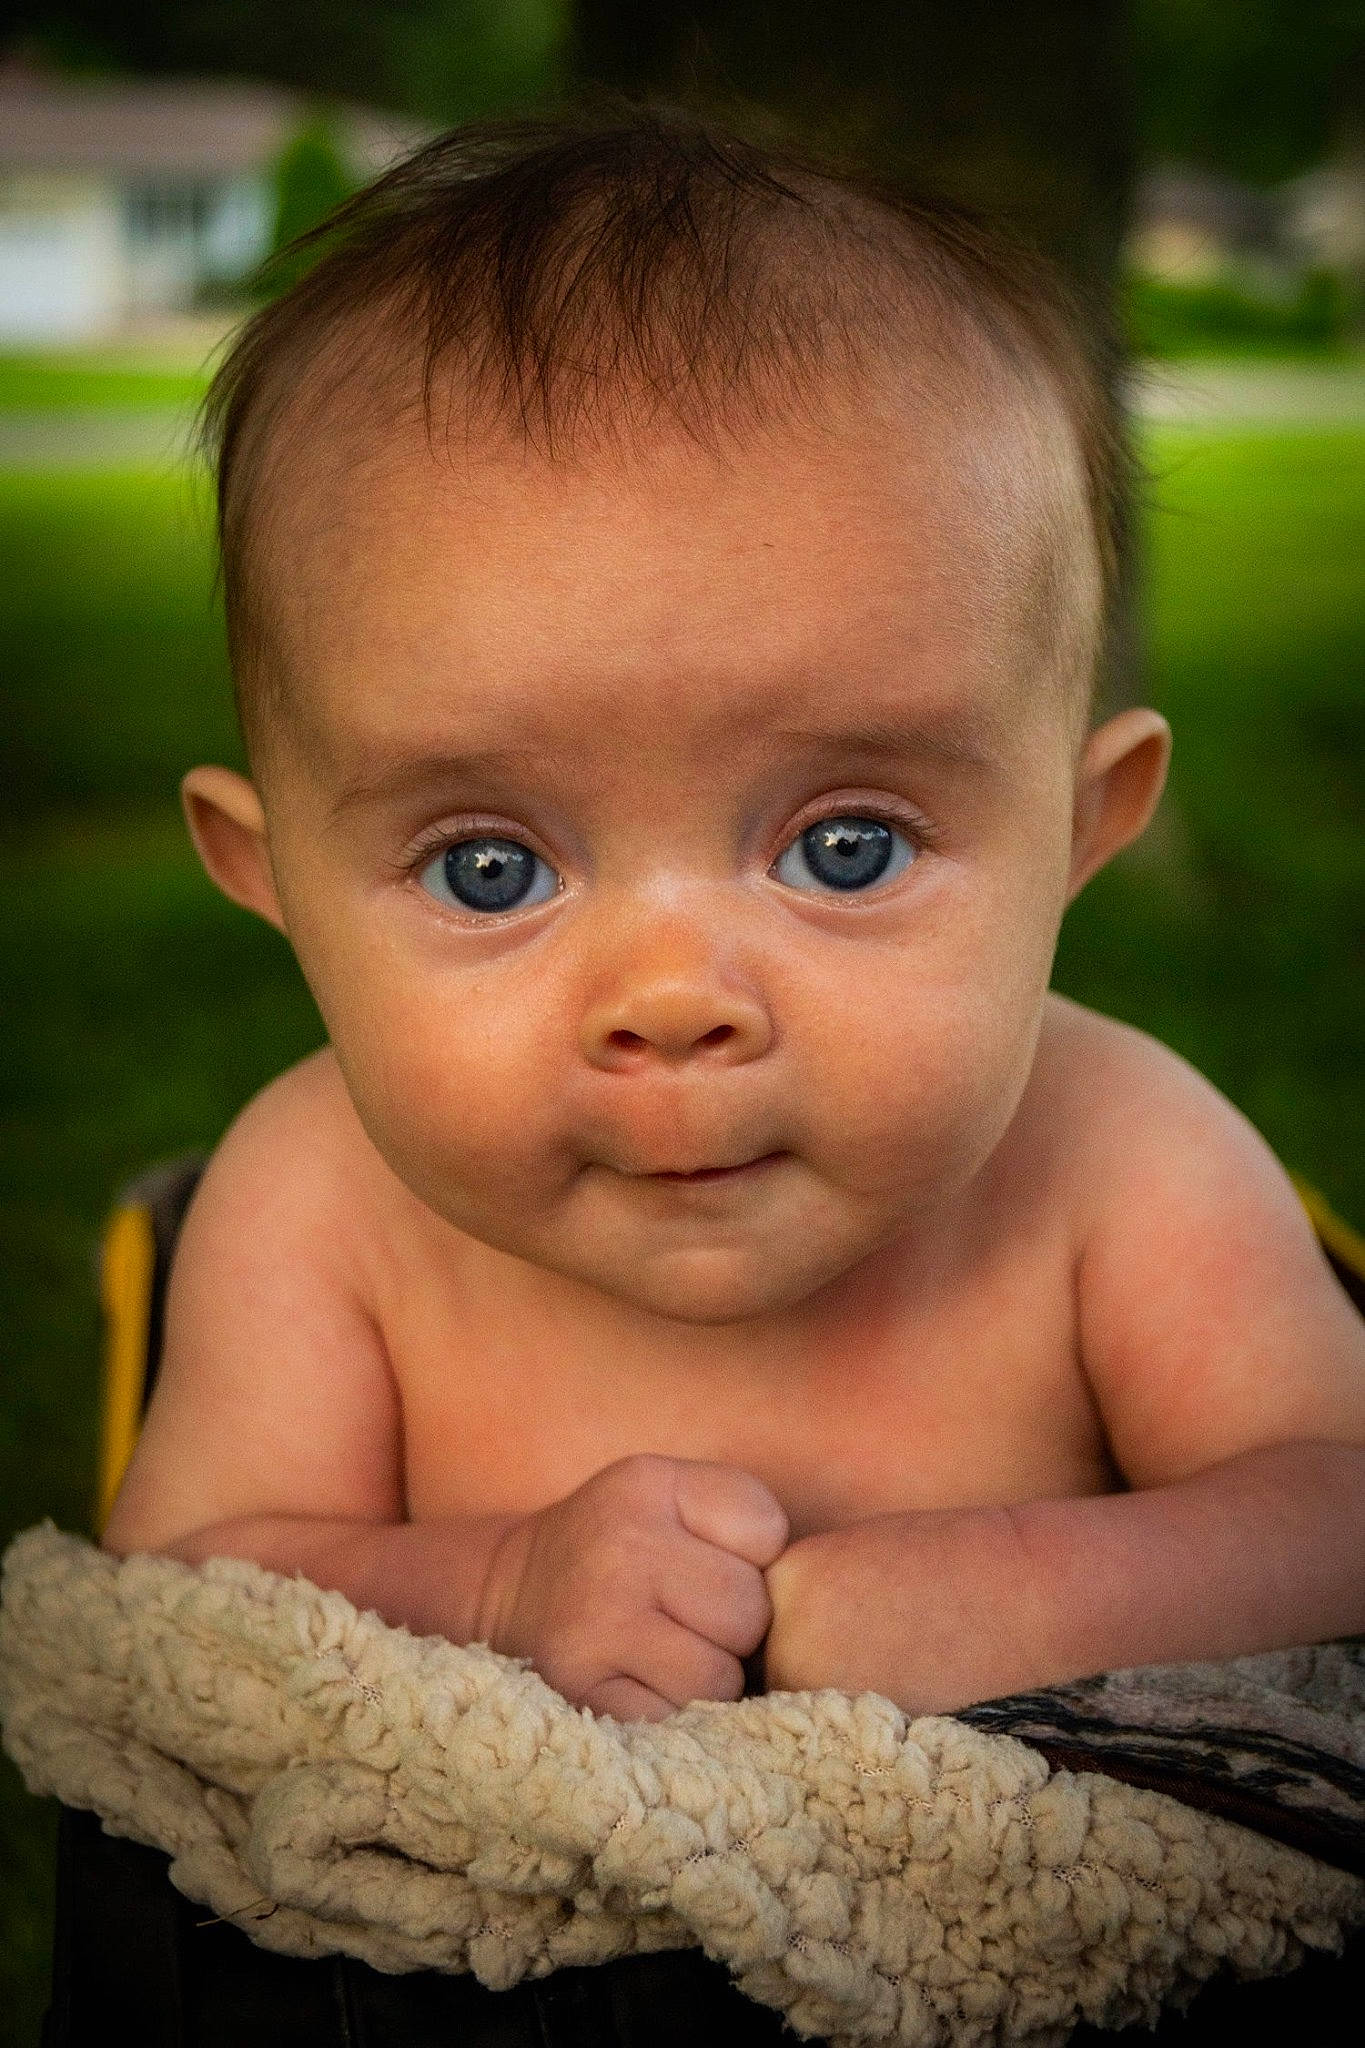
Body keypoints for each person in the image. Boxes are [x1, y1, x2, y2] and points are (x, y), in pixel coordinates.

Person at [101, 106, 1365, 1729]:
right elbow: (177, 1589)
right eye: (489, 869)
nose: (672, 997)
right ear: (268, 876)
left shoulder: (1120, 1156)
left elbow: (1336, 1495)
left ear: (1077, 830)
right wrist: (495, 1588)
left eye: (845, 848)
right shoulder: (315, 1203)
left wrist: (1038, 1591)